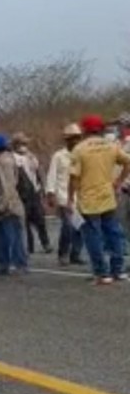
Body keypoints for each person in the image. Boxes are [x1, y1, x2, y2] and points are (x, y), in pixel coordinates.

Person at [69, 114, 130, 285]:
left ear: (84, 130)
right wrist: (118, 182)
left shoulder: (79, 149)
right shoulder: (111, 146)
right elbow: (128, 162)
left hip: (89, 200)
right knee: (114, 233)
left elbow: (74, 177)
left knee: (93, 236)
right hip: (108, 196)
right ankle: (117, 271)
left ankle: (102, 274)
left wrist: (70, 198)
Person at [0, 134, 28, 276]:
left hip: (9, 207)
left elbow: (8, 186)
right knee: (1, 238)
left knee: (14, 237)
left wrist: (4, 206)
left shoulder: (5, 162)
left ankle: (20, 265)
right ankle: (2, 264)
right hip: (0, 207)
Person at [45, 124, 84, 267]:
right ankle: (63, 254)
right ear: (67, 140)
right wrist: (50, 193)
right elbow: (52, 175)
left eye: (77, 138)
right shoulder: (58, 156)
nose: (75, 141)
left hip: (80, 196)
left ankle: (76, 254)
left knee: (79, 227)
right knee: (68, 226)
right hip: (63, 196)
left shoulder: (82, 154)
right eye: (72, 138)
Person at [12, 133, 52, 255]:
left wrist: (44, 188)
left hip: (34, 192)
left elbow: (39, 172)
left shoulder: (31, 156)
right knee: (25, 222)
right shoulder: (13, 158)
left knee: (40, 219)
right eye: (22, 143)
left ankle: (45, 243)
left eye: (25, 143)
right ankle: (29, 246)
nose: (24, 146)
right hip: (21, 194)